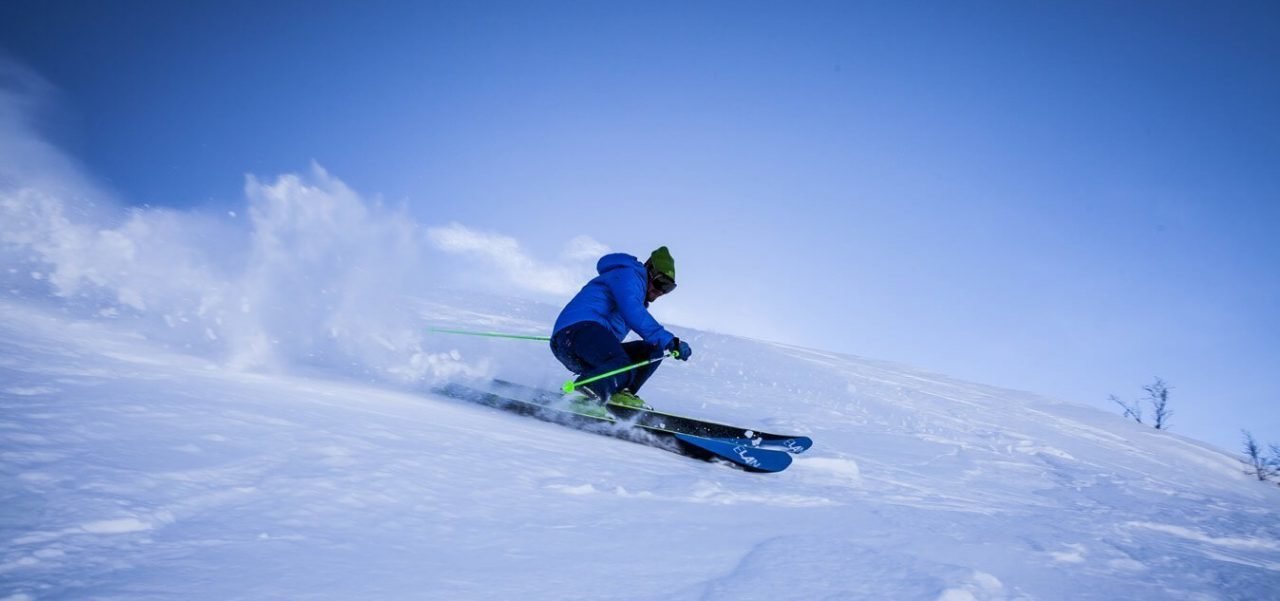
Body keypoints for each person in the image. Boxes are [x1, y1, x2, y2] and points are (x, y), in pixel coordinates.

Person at [550, 246, 692, 409]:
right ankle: (583, 395)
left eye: (667, 288)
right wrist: (669, 341)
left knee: (650, 352)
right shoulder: (629, 275)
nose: (660, 291)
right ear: (648, 269)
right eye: (660, 282)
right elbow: (633, 312)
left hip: (589, 345)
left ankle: (618, 393)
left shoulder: (638, 293)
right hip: (575, 333)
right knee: (620, 362)